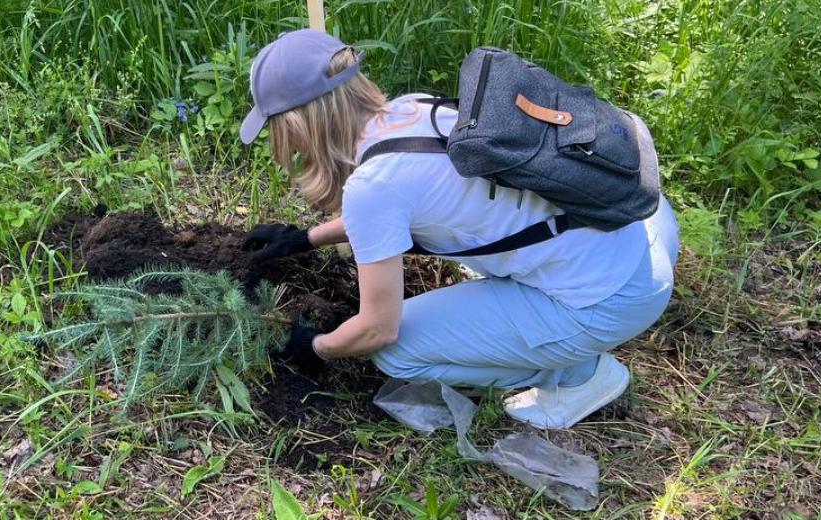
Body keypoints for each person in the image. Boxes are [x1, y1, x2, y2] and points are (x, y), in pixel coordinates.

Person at [238, 29, 680, 430]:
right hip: (637, 233)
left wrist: (317, 346)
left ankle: (580, 377)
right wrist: (307, 238)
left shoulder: (372, 188)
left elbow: (377, 328)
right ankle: (555, 333)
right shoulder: (410, 109)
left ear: (298, 124)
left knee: (396, 353)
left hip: (610, 299)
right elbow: (394, 206)